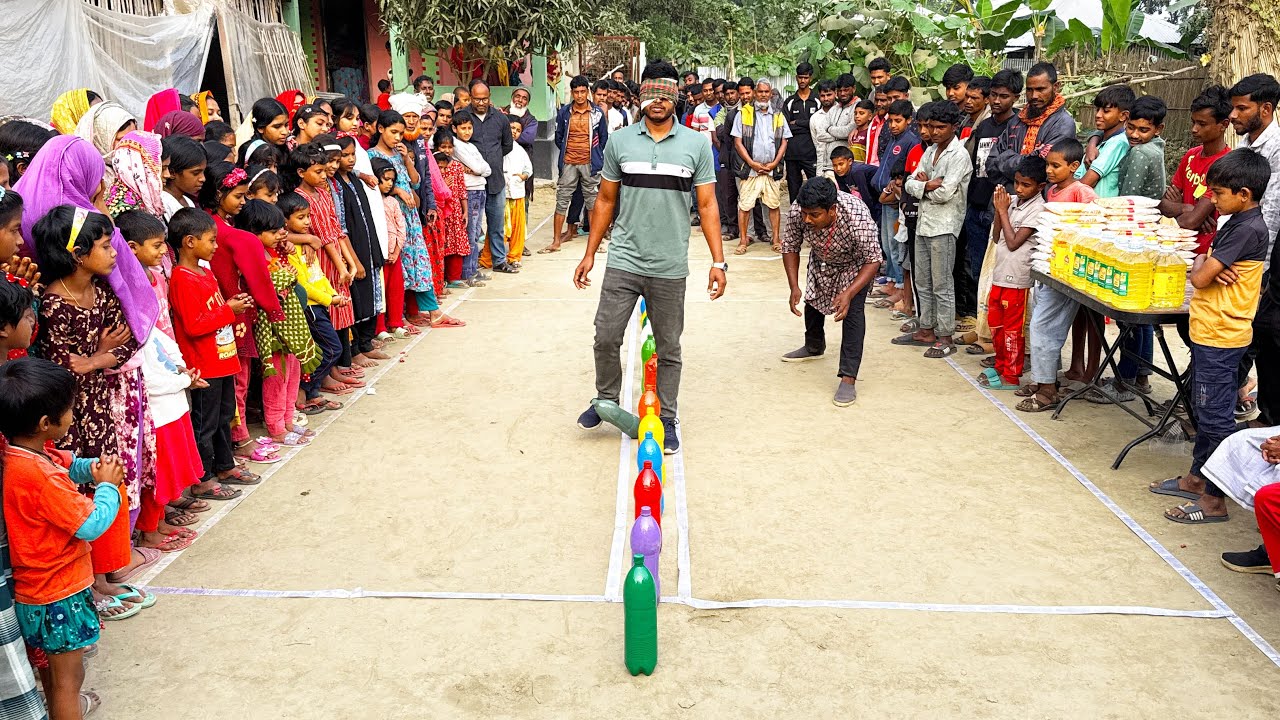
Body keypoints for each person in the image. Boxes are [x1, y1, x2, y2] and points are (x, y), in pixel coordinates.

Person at [573, 60, 727, 455]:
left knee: (668, 346)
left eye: (665, 94)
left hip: (669, 263)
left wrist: (718, 261)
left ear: (675, 97)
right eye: (650, 94)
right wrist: (590, 253)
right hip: (624, 258)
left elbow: (708, 205)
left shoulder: (695, 145)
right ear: (640, 96)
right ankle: (605, 401)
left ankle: (668, 418)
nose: (657, 102)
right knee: (605, 336)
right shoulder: (620, 141)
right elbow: (605, 199)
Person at [31, 205, 160, 619]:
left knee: (110, 479)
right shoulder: (54, 305)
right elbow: (57, 366)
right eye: (105, 246)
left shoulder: (102, 292)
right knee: (83, 491)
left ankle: (106, 572)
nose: (114, 253)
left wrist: (95, 360)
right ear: (77, 254)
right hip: (71, 417)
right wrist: (94, 358)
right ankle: (89, 581)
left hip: (100, 406)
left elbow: (125, 341)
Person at [0, 357, 125, 719]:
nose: (73, 416)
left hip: (33, 593)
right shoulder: (42, 478)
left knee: (51, 672)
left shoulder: (20, 455)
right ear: (44, 423)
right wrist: (107, 487)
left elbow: (66, 463)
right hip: (61, 594)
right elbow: (91, 524)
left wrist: (92, 468)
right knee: (69, 679)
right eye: (69, 410)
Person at [1152, 149, 1271, 525]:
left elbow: (1201, 275)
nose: (1212, 201)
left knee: (1216, 418)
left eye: (1217, 194)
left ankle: (1214, 500)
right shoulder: (1234, 222)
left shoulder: (1248, 227)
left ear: (1244, 194)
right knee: (1205, 411)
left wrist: (1203, 265)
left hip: (1222, 335)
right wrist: (1207, 265)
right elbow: (1207, 269)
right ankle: (1195, 478)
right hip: (1211, 329)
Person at [117, 210, 203, 550]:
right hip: (155, 388)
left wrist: (180, 367)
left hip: (167, 373)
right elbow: (142, 345)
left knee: (173, 461)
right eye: (157, 246)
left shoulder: (152, 277)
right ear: (132, 247)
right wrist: (178, 377)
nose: (162, 252)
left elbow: (159, 332)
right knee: (159, 467)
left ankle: (161, 518)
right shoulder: (124, 286)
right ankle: (150, 529)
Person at [167, 208, 250, 507]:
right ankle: (202, 480)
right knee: (205, 423)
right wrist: (229, 310)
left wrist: (231, 307)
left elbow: (214, 312)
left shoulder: (205, 272)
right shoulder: (182, 278)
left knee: (225, 416)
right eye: (211, 240)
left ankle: (225, 464)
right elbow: (194, 324)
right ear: (190, 242)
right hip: (204, 366)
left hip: (222, 359)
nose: (216, 246)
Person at [779, 178, 882, 406]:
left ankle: (848, 377)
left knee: (852, 312)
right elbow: (790, 246)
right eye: (805, 213)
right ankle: (814, 346)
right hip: (822, 259)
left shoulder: (857, 216)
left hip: (856, 265)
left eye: (814, 215)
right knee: (813, 299)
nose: (807, 219)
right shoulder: (800, 209)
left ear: (832, 210)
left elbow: (873, 260)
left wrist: (849, 292)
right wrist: (794, 285)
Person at [235, 200, 320, 448]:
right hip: (271, 329)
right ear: (253, 233)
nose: (278, 235)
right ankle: (276, 427)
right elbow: (262, 285)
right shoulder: (250, 256)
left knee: (292, 372)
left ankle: (288, 420)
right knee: (276, 377)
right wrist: (285, 277)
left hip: (290, 325)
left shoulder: (274, 251)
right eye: (272, 232)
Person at [895, 101, 971, 359]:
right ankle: (926, 328)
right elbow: (909, 183)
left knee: (942, 283)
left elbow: (945, 193)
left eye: (940, 127)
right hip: (925, 223)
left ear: (953, 126)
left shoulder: (959, 156)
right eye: (930, 126)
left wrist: (923, 186)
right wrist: (927, 185)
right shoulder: (930, 151)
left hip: (944, 226)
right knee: (922, 281)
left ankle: (946, 335)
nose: (934, 131)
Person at [981, 156, 1046, 390]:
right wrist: (1000, 211)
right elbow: (997, 236)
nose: (1019, 188)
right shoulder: (1013, 202)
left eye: (1025, 185)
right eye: (1017, 182)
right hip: (1000, 274)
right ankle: (1000, 365)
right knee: (996, 324)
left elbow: (1014, 242)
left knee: (1012, 330)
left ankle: (1011, 374)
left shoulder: (1038, 209)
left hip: (1017, 280)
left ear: (1040, 187)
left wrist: (1003, 212)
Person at [1160, 86, 1231, 256]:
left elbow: (1191, 222)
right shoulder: (1191, 156)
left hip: (1204, 253)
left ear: (1224, 125)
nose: (1194, 129)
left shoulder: (1226, 165)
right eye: (1193, 122)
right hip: (1178, 247)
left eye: (1202, 124)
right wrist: (1187, 208)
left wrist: (1182, 211)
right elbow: (1163, 205)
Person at [544, 75, 608, 255]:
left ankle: (596, 241)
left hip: (590, 164)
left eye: (582, 91)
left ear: (587, 92)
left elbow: (603, 138)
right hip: (569, 163)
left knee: (592, 202)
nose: (579, 96)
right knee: (562, 199)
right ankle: (556, 241)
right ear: (572, 93)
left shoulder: (597, 113)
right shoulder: (564, 112)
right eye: (576, 92)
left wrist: (594, 154)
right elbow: (559, 138)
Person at [732, 79, 791, 255]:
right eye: (760, 92)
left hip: (771, 169)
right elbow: (737, 142)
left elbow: (784, 141)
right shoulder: (743, 113)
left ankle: (776, 240)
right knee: (745, 206)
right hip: (750, 170)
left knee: (773, 205)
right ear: (755, 93)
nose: (763, 95)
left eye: (767, 92)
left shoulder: (778, 115)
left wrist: (774, 163)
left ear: (771, 94)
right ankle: (743, 240)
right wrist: (752, 163)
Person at [869, 100, 920, 307]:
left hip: (895, 202)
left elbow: (903, 174)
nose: (893, 125)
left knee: (897, 244)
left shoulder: (910, 141)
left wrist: (895, 191)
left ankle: (900, 285)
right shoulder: (892, 139)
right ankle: (891, 280)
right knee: (887, 243)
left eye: (898, 121)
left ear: (909, 120)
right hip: (885, 199)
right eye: (891, 121)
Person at [464, 82, 516, 274]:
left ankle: (499, 260)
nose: (481, 102)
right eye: (477, 99)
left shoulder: (500, 119)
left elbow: (507, 145)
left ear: (489, 97)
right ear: (470, 97)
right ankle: (470, 265)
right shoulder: (463, 118)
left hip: (495, 180)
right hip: (471, 183)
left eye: (484, 98)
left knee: (496, 224)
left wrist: (491, 160)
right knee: (473, 227)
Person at [1229, 74, 1280, 248]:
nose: (1233, 115)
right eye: (1233, 108)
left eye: (1241, 108)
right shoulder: (1243, 144)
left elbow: (1272, 211)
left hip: (1260, 251)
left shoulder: (1277, 148)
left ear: (1265, 109)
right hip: (1239, 239)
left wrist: (1259, 264)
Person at [1076, 85, 1135, 197]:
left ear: (1123, 116)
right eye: (1097, 109)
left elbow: (1088, 181)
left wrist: (1064, 192)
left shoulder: (1118, 143)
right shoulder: (1100, 141)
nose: (1098, 115)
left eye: (1106, 111)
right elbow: (1078, 175)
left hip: (1100, 208)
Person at [783, 63, 820, 203]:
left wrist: (798, 122)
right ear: (796, 78)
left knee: (815, 187)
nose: (802, 81)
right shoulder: (790, 102)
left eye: (805, 77)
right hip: (792, 154)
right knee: (794, 191)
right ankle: (795, 219)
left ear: (810, 78)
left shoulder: (817, 100)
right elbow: (785, 127)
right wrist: (809, 124)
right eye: (800, 77)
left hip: (812, 153)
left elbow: (818, 125)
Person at [500, 122, 532, 268]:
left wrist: (523, 176)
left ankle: (514, 256)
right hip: (501, 193)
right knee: (500, 226)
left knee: (518, 227)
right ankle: (491, 257)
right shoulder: (498, 146)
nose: (514, 132)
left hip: (517, 192)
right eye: (512, 128)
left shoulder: (520, 150)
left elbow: (528, 169)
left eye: (518, 130)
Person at [506, 86, 539, 214]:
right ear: (512, 98)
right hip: (502, 168)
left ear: (528, 103)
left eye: (524, 98)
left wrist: (504, 136)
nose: (520, 100)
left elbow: (527, 138)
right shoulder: (500, 113)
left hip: (521, 168)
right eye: (517, 96)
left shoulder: (531, 120)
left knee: (521, 208)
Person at [810, 80, 840, 176]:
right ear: (819, 96)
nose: (826, 98)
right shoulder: (815, 118)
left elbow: (845, 135)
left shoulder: (842, 112)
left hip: (840, 165)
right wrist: (836, 136)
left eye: (829, 95)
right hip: (821, 165)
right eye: (823, 96)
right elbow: (817, 141)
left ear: (835, 93)